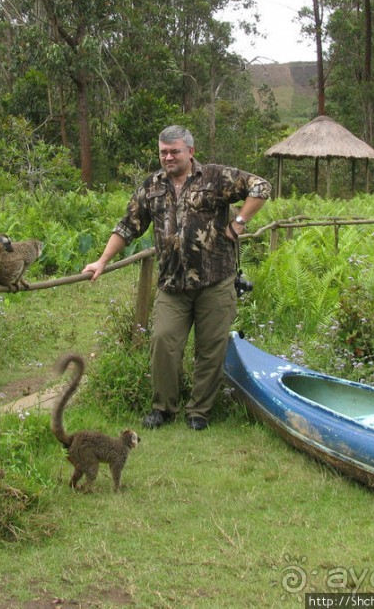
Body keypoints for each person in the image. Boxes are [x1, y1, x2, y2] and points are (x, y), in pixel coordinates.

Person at [83, 125, 271, 430]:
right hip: (172, 284)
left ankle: (199, 411)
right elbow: (128, 226)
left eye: (174, 151)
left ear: (190, 151)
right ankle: (164, 408)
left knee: (210, 349)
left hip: (215, 281)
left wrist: (239, 222)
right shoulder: (151, 186)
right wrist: (102, 261)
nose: (168, 157)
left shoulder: (216, 177)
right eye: (163, 152)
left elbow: (261, 187)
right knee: (163, 342)